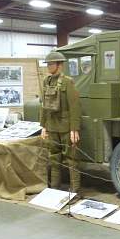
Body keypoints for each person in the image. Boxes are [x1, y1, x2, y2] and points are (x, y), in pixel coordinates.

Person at [40, 51, 82, 193]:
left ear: (59, 65)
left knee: (72, 159)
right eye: (48, 64)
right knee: (54, 158)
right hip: (52, 126)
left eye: (51, 64)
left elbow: (75, 106)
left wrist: (74, 129)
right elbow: (44, 105)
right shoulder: (46, 81)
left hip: (65, 127)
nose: (48, 67)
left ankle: (74, 190)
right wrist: (44, 126)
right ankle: (54, 189)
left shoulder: (67, 82)